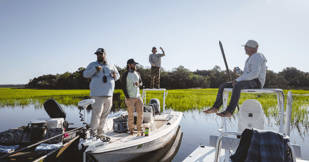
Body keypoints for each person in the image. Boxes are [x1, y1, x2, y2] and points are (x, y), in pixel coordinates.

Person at [203, 40, 267, 117]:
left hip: (257, 82)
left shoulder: (257, 57)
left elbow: (255, 74)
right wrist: (239, 72)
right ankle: (215, 108)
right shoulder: (249, 59)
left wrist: (237, 80)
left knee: (237, 85)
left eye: (246, 47)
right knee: (223, 86)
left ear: (252, 48)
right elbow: (247, 74)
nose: (245, 49)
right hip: (250, 80)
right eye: (245, 47)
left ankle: (229, 111)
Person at [83, 48, 120, 136]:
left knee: (105, 115)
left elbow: (118, 76)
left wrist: (115, 76)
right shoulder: (92, 65)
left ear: (104, 54)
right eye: (97, 54)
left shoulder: (111, 65)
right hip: (97, 95)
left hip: (109, 95)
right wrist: (94, 70)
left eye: (100, 54)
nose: (98, 55)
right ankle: (93, 133)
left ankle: (100, 132)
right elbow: (85, 74)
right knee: (96, 115)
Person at [121, 59, 143, 135]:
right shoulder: (125, 75)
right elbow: (123, 86)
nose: (135, 65)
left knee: (140, 113)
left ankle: (140, 129)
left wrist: (139, 84)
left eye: (135, 64)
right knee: (131, 115)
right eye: (133, 64)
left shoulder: (137, 73)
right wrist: (127, 96)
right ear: (129, 65)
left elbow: (141, 83)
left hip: (138, 97)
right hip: (129, 98)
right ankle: (131, 130)